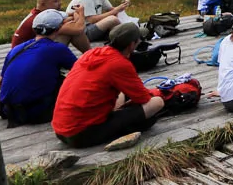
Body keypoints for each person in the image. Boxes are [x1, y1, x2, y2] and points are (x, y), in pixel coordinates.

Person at [52, 22, 165, 150]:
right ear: (131, 45)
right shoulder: (120, 64)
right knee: (157, 103)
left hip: (60, 130)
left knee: (121, 94)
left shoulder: (91, 54)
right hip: (81, 134)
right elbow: (144, 99)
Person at [0, 9, 79, 127]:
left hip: (9, 110)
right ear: (59, 28)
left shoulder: (17, 49)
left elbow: (0, 82)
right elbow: (80, 70)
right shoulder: (57, 49)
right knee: (67, 80)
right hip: (35, 113)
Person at [12, 0, 91, 52]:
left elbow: (69, 16)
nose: (60, 3)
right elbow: (78, 29)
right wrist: (81, 13)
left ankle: (90, 55)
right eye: (56, 1)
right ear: (43, 4)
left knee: (68, 29)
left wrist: (74, 16)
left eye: (60, 0)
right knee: (71, 32)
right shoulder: (40, 20)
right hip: (26, 55)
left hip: (31, 48)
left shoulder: (43, 14)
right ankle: (91, 56)